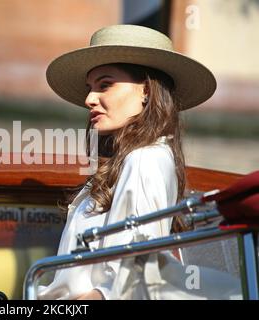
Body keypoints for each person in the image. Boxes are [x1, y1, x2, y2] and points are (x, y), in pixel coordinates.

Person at [37, 24, 221, 300]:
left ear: (146, 90)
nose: (89, 99)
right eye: (90, 87)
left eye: (105, 85)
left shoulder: (145, 160)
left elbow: (135, 279)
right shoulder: (131, 163)